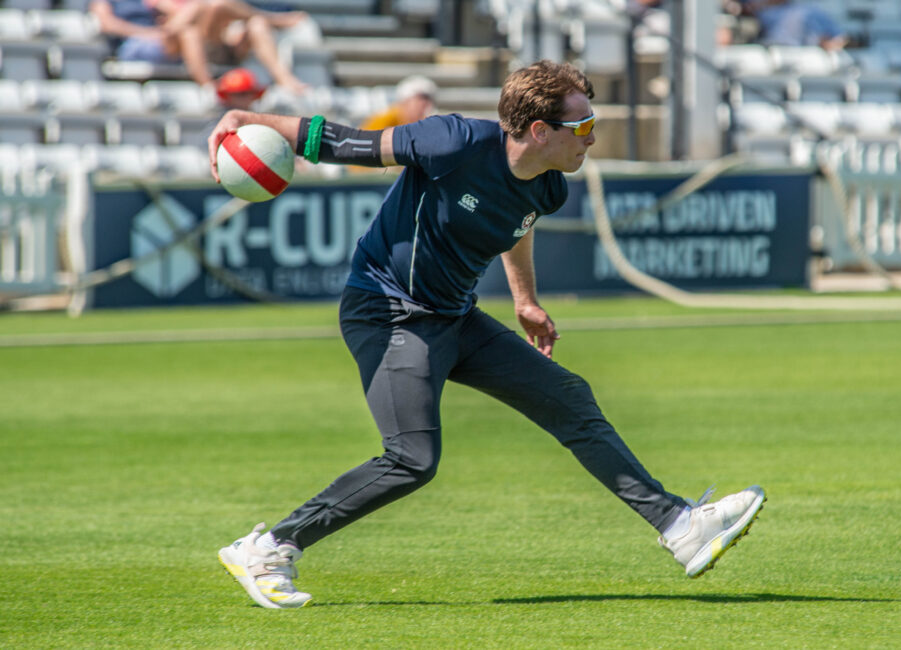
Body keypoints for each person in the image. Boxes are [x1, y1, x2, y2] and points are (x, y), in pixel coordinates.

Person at [208, 60, 766, 609]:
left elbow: (514, 228)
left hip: (452, 314)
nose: (593, 139)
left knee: (568, 396)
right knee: (411, 458)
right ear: (540, 130)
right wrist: (245, 118)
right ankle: (267, 546)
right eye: (585, 127)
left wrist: (524, 300)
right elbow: (345, 143)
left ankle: (677, 524)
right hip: (387, 311)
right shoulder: (451, 141)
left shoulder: (549, 187)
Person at [89, 0, 309, 94]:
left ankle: (283, 77)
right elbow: (107, 23)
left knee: (224, 11)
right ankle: (208, 88)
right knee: (192, 25)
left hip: (173, 36)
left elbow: (173, 12)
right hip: (136, 44)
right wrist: (149, 33)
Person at [732, 0, 848, 50]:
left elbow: (840, 39)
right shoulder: (758, 14)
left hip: (797, 62)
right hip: (766, 57)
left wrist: (829, 44)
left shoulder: (808, 12)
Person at [361, 75, 437, 130]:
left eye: (428, 100)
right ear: (405, 101)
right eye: (421, 99)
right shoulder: (385, 120)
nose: (426, 105)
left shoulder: (428, 124)